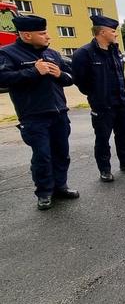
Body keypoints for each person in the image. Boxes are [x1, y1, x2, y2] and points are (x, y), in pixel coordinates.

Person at [0, 15, 79, 209]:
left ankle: (61, 186)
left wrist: (61, 75)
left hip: (59, 112)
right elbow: (3, 79)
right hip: (34, 115)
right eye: (42, 33)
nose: (48, 37)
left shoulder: (52, 54)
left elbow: (70, 77)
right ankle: (44, 192)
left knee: (62, 153)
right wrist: (34, 71)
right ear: (27, 35)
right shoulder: (8, 54)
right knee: (42, 155)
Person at [72, 15, 125, 183]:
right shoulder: (84, 53)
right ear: (102, 32)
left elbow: (120, 74)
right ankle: (105, 169)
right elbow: (80, 80)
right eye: (113, 31)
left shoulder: (115, 51)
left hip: (121, 102)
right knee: (103, 138)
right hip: (102, 105)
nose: (116, 34)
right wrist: (96, 95)